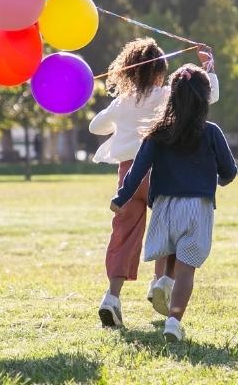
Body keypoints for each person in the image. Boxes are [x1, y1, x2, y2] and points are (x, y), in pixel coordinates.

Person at [90, 38, 219, 328]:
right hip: (160, 173)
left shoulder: (122, 102)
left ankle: (112, 297)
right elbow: (207, 96)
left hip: (128, 176)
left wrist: (120, 114)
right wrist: (208, 68)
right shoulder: (165, 95)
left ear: (129, 73)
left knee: (123, 235)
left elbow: (94, 126)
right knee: (169, 230)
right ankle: (160, 282)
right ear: (161, 72)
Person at [110, 64, 237, 341]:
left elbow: (138, 169)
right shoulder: (212, 132)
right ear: (204, 99)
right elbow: (230, 171)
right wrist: (219, 180)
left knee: (170, 250)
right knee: (187, 268)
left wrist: (121, 197)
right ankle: (173, 321)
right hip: (197, 208)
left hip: (165, 206)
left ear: (172, 97)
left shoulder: (157, 133)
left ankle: (163, 281)